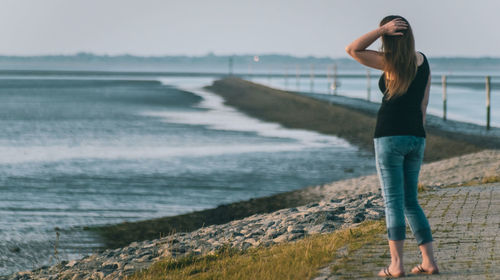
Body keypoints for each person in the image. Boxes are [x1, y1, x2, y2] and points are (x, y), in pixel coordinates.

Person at [345, 15, 440, 278]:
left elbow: (352, 49)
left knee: (394, 202)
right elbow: (423, 105)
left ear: (388, 37)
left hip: (389, 136)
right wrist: (418, 134)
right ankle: (428, 261)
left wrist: (379, 29)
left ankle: (396, 266)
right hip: (416, 136)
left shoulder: (389, 62)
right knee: (411, 201)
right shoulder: (423, 61)